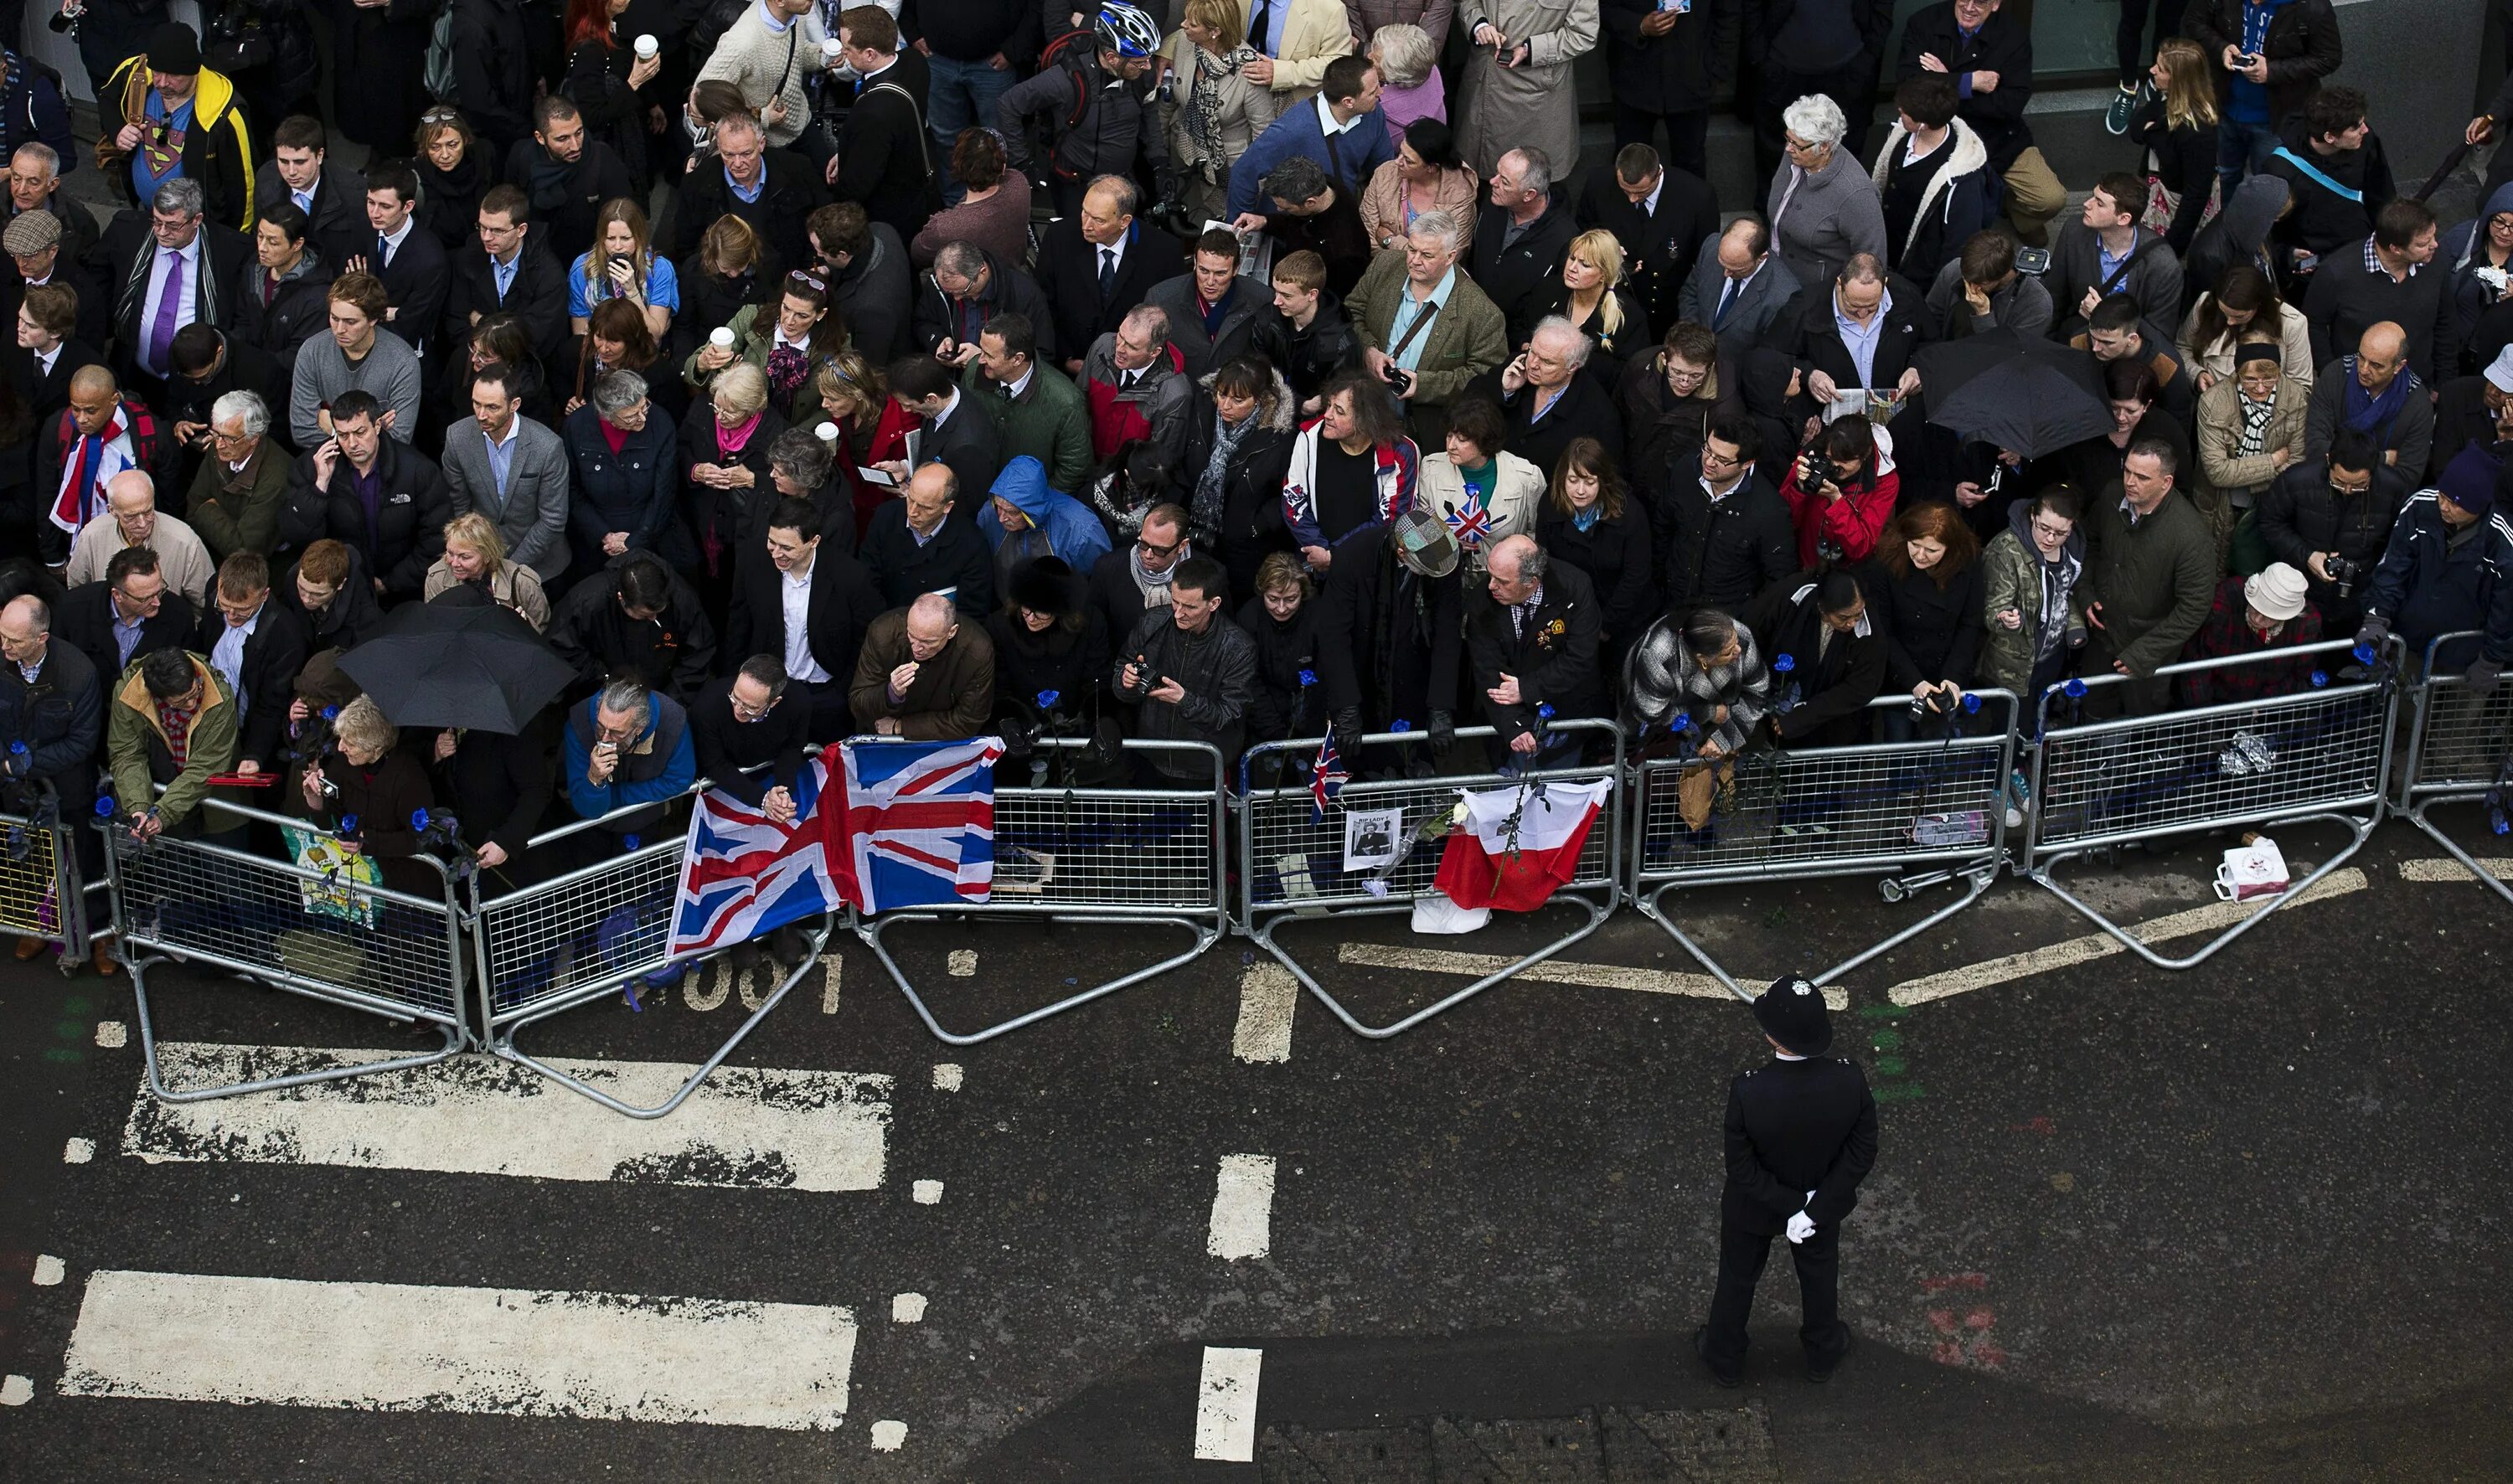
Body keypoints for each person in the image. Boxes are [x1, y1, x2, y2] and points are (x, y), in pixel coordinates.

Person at [1695, 975, 1876, 1389]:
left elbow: (1741, 1169)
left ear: (1771, 1036)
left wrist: (1791, 1204)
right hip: (1822, 1203)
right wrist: (1812, 1209)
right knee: (1819, 1277)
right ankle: (1822, 1354)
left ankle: (1724, 1357)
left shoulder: (1748, 1091)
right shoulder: (1850, 1079)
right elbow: (1862, 1151)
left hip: (1754, 1207)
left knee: (1738, 1278)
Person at [1896, 0, 2061, 247]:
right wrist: (1968, 82)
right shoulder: (1924, 23)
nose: (1970, 7)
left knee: (2050, 198)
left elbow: (2011, 103)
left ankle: (2018, 216)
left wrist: (1943, 82)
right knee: (1942, 206)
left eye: (1981, 1)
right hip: (1938, 134)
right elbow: (1910, 84)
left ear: (1995, 4)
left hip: (1998, 137)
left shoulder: (2013, 35)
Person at [725, 495, 882, 741]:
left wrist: (843, 691)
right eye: (772, 542)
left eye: (787, 548)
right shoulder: (753, 561)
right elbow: (739, 624)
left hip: (826, 694)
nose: (776, 553)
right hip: (769, 691)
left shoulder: (850, 576)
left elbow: (865, 639)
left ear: (814, 541)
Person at [1344, 209, 1508, 446]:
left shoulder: (1482, 313)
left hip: (1423, 428)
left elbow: (1487, 376)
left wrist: (1424, 385)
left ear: (1451, 257)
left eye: (1427, 255)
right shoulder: (1384, 265)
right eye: (1411, 249)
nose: (1414, 260)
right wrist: (1368, 350)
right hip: (1366, 406)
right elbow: (1352, 311)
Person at [2080, 439, 2218, 715]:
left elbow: (2195, 607)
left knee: (2143, 717)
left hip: (2150, 649)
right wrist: (2084, 591)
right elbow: (2090, 544)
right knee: (2093, 705)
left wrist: (2145, 653)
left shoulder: (2190, 535)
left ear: (2166, 482)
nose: (2130, 482)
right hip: (2103, 633)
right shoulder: (2111, 496)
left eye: (2142, 477)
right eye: (2128, 471)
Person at [2357, 442, 2513, 688]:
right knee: (2404, 719)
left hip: (2469, 655)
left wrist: (2492, 661)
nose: (2443, 506)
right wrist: (2376, 618)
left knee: (2454, 725)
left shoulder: (2502, 542)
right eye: (2442, 495)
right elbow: (2392, 568)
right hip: (2410, 641)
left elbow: (2506, 610)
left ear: (2478, 507)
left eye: (2455, 503)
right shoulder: (2420, 507)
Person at [995, 2, 1168, 219]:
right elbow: (1009, 104)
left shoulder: (1143, 76)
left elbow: (1149, 114)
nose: (1148, 67)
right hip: (1075, 184)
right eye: (1140, 62)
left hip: (1121, 182)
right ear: (1113, 58)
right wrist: (1022, 163)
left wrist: (1161, 162)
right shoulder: (1065, 81)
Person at [277, 390, 451, 600]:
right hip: (338, 592)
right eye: (342, 435)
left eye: (360, 432)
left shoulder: (417, 470)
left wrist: (390, 583)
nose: (352, 444)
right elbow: (294, 536)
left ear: (377, 426)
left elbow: (436, 539)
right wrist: (319, 486)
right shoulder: (312, 465)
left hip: (402, 594)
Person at [101, 175, 255, 396]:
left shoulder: (233, 251)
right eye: (156, 221)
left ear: (197, 219)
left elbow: (245, 314)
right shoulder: (128, 232)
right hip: (132, 372)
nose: (162, 232)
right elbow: (100, 278)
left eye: (173, 225)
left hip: (197, 383)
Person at [1111, 554, 1256, 782]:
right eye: (1175, 601)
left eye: (1189, 606)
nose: (1178, 613)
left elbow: (1231, 715)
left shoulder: (1238, 648)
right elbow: (1121, 674)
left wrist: (1184, 700)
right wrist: (1125, 681)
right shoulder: (1152, 622)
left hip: (1203, 768)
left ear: (1214, 603)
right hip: (1148, 758)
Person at [95, 23, 255, 229]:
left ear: (194, 71)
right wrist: (118, 131)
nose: (162, 82)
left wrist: (236, 242)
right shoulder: (137, 74)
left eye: (173, 76)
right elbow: (106, 98)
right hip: (147, 214)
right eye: (158, 72)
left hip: (195, 227)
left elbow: (242, 188)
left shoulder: (225, 113)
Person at [1464, 532, 1603, 760]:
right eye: (1491, 575)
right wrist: (1514, 725)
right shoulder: (1482, 601)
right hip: (1508, 727)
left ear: (1531, 581)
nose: (1491, 586)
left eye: (1502, 581)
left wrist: (1527, 688)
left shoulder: (1574, 587)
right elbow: (1487, 668)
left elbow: (1580, 658)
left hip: (1566, 715)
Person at [2254, 427, 2402, 639]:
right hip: (2302, 590)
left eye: (2359, 485)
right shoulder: (2296, 480)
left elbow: (2394, 544)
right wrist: (2307, 555)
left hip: (2358, 595)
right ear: (2328, 460)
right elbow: (2269, 521)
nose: (2348, 490)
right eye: (2340, 481)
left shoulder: (2392, 489)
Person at [2185, 0, 2342, 189]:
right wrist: (2221, 48)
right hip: (2225, 109)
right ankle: (2228, 219)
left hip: (2275, 121)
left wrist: (2273, 71)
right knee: (2225, 178)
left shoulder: (2311, 6)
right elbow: (2194, 21)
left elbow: (2328, 58)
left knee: (2268, 188)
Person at [1038, 175, 1184, 374]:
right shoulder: (1059, 237)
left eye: (1098, 220)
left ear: (1124, 221)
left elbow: (1166, 319)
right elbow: (1044, 303)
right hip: (1067, 367)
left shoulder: (1164, 252)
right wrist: (1065, 358)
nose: (1086, 225)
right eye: (1084, 212)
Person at [2303, 198, 2456, 389]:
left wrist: (2444, 382)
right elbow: (2314, 325)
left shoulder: (2435, 261)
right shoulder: (2336, 273)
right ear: (2395, 249)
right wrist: (2332, 378)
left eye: (2433, 236)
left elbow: (2446, 322)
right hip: (2358, 387)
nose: (2435, 245)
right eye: (2423, 244)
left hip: (2417, 385)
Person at [1860, 502, 1983, 736]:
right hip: (1902, 673)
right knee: (1900, 743)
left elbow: (1969, 623)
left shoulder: (1969, 562)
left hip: (1945, 673)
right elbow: (1883, 630)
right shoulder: (1885, 563)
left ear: (1951, 548)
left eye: (1931, 550)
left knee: (1939, 750)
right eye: (1914, 545)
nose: (1920, 555)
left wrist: (1953, 678)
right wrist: (1915, 682)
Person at [1571, 145, 1712, 348]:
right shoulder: (1598, 183)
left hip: (1666, 304)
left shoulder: (1697, 196)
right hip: (1615, 302)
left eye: (1641, 192)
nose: (1632, 199)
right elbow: (1583, 232)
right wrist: (1605, 250)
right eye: (1625, 191)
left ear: (1658, 174)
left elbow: (1704, 259)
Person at [442, 363, 571, 586]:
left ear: (515, 405)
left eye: (492, 407)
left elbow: (553, 520)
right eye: (476, 404)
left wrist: (507, 568)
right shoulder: (457, 437)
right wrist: (477, 557)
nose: (481, 415)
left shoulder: (547, 447)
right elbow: (459, 504)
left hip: (541, 568)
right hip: (480, 563)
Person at [1223, 52, 1391, 223]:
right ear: (1348, 102)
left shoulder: (1373, 114)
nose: (1381, 92)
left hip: (1337, 220)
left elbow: (1383, 169)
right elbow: (1243, 173)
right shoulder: (1290, 131)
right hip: (1287, 228)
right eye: (1373, 91)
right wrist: (1239, 230)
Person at [35, 364, 176, 568]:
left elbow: (170, 496)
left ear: (114, 400)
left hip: (142, 544)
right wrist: (53, 557)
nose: (81, 419)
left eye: (91, 411)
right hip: (83, 546)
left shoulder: (152, 431)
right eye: (76, 408)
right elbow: (47, 494)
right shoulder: (58, 428)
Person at [1283, 370, 1421, 574]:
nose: (1327, 415)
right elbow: (1292, 500)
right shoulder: (1309, 437)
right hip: (1314, 560)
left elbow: (1389, 518)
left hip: (1368, 567)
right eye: (1328, 405)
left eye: (1339, 411)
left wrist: (1335, 555)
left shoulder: (1401, 453)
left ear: (1365, 419)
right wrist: (1321, 551)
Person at [1766, 254, 1926, 425]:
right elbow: (1772, 357)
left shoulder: (1908, 299)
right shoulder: (1804, 308)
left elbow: (1931, 345)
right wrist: (1808, 374)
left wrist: (1918, 368)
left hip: (1894, 423)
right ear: (1840, 284)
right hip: (1829, 426)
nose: (1862, 314)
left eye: (1872, 307)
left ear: (1884, 285)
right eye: (1853, 306)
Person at [1535, 435, 1653, 668]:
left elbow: (1636, 576)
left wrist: (1606, 625)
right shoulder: (1550, 505)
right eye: (1573, 480)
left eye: (1589, 482)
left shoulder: (1629, 514)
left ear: (1603, 482)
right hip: (1573, 614)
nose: (1580, 490)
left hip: (1625, 617)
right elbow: (1546, 564)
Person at [1866, 73, 1993, 290]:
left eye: (1905, 112)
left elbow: (1957, 246)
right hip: (1888, 249)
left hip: (1918, 272)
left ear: (1923, 124)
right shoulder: (1901, 136)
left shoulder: (1960, 179)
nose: (1899, 112)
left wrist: (1939, 291)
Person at [1162, 0, 1282, 226]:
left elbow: (1263, 133)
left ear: (1215, 31)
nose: (1183, 24)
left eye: (1192, 23)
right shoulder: (1185, 44)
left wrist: (1257, 186)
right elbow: (1168, 102)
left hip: (1227, 171)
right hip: (1184, 154)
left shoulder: (1249, 69)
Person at [1977, 487, 2088, 724]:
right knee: (2009, 729)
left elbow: (2063, 594)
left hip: (2051, 657)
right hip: (2012, 665)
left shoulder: (2073, 550)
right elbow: (1990, 609)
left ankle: (2030, 758)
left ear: (2072, 526)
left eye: (2060, 532)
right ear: (2032, 517)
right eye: (2044, 528)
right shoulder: (2005, 550)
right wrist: (2004, 618)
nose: (2050, 539)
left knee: (2037, 722)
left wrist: (2075, 627)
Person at [1664, 415, 1793, 616]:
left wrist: (1748, 617)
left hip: (1726, 617)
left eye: (1722, 459)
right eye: (1708, 449)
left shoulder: (1770, 511)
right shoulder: (1685, 471)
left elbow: (1778, 578)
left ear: (1746, 463)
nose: (1709, 462)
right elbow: (1663, 526)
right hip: (1675, 601)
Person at [667, 112, 826, 276]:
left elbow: (823, 223)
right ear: (719, 148)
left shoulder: (798, 171)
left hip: (787, 279)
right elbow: (686, 246)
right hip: (727, 285)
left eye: (746, 154)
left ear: (762, 144)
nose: (737, 163)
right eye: (728, 154)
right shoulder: (696, 184)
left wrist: (808, 272)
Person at [106, 643, 236, 842]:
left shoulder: (219, 694)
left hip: (217, 804)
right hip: (163, 794)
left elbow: (205, 766)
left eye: (195, 692)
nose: (192, 704)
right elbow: (127, 754)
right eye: (182, 702)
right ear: (157, 697)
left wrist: (164, 812)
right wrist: (138, 807)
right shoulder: (129, 695)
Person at [1454, 0, 1597, 180]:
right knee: (1480, 180)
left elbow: (1583, 34)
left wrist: (1531, 50)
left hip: (1538, 94)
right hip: (1484, 84)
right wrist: (1478, 25)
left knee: (1532, 181)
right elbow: (1466, 2)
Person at [191, 549, 303, 775]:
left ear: (264, 595)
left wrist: (254, 754)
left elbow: (272, 704)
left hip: (247, 730)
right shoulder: (215, 597)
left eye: (243, 610)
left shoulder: (284, 634)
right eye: (225, 606)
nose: (231, 616)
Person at [1745, 566, 1886, 746]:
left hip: (1834, 728)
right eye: (1843, 618)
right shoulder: (1789, 597)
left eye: (1857, 615)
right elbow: (1751, 635)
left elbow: (1862, 685)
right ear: (1822, 608)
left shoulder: (1869, 626)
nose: (1852, 623)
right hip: (1776, 713)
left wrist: (1805, 716)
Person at [443, 185, 573, 383]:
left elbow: (536, 337)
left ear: (521, 230)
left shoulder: (548, 274)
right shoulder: (470, 257)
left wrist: (481, 321)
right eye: (482, 227)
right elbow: (456, 320)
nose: (486, 237)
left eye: (497, 230)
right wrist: (485, 354)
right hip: (473, 369)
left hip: (525, 377)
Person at [686, 268, 848, 423]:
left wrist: (794, 435)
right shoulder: (750, 318)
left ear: (820, 314)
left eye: (802, 316)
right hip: (743, 423)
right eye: (786, 308)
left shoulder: (836, 345)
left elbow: (837, 403)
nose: (789, 321)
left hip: (797, 435)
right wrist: (702, 365)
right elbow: (690, 369)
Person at [1478, 315, 1623, 485]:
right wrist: (1504, 391)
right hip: (1492, 480)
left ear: (1573, 367)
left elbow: (1607, 477)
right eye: (1532, 351)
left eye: (1547, 362)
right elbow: (1469, 406)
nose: (1533, 364)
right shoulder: (1517, 365)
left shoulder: (1598, 413)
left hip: (1548, 499)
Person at [2263, 84, 2392, 276]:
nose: (2365, 130)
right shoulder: (2280, 169)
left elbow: (2382, 193)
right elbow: (2270, 230)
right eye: (2356, 127)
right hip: (2319, 265)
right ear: (2330, 137)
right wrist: (2288, 256)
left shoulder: (2366, 141)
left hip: (2364, 250)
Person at [2193, 338, 2306, 557]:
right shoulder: (2213, 401)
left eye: (2269, 379)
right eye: (2251, 380)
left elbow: (2296, 464)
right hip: (2219, 505)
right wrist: (2272, 461)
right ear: (2238, 375)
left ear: (2279, 374)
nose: (2261, 388)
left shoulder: (2295, 397)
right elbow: (2217, 472)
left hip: (2270, 505)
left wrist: (2240, 472)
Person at [1763, 95, 1886, 295]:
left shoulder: (1856, 195)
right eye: (1788, 139)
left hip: (1816, 295)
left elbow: (1871, 262)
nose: (1788, 148)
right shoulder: (1795, 155)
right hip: (1777, 276)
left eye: (1797, 144)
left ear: (1824, 147)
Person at [961, 311, 1093, 497]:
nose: (980, 359)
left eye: (989, 355)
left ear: (1017, 359)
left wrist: (1032, 506)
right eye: (981, 350)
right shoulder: (975, 371)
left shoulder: (1066, 402)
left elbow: (1074, 468)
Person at [1617, 319, 1739, 517]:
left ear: (1710, 367)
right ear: (1664, 359)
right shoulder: (1639, 368)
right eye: (1677, 372)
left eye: (1695, 376)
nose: (1684, 382)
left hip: (1674, 496)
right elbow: (1618, 416)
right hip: (1627, 478)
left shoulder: (1723, 407)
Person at [560, 674, 695, 853]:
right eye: (600, 726)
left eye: (616, 733)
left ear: (639, 728)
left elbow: (680, 780)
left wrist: (617, 796)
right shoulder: (579, 722)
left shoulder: (672, 721)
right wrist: (594, 778)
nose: (605, 738)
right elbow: (588, 808)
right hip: (591, 827)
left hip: (646, 822)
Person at [2046, 171, 2184, 345]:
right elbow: (2055, 295)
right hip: (2082, 332)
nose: (2087, 204)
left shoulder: (2163, 265)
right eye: (2093, 197)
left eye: (2100, 204)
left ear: (2123, 218)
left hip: (2128, 352)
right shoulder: (2074, 231)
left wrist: (2105, 318)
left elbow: (2160, 335)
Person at [287, 272, 421, 450]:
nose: (339, 329)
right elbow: (302, 432)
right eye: (334, 318)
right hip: (324, 461)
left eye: (350, 322)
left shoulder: (402, 362)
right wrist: (368, 434)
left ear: (373, 319)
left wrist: (334, 429)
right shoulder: (312, 351)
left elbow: (399, 440)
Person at [1414, 394, 1541, 578]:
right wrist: (1446, 543)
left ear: (1485, 440)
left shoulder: (1526, 477)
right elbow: (1420, 527)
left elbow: (1536, 535)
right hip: (1447, 578)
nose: (1451, 445)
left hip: (1505, 580)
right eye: (1449, 435)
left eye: (1462, 439)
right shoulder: (1430, 469)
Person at [504, 96, 636, 273]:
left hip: (588, 267)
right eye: (562, 139)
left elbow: (622, 221)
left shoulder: (603, 161)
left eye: (579, 132)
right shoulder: (522, 157)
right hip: (536, 264)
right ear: (540, 138)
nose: (575, 146)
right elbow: (510, 212)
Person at [846, 591, 994, 739]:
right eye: (911, 635)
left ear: (952, 632)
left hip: (942, 744)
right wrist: (890, 693)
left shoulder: (977, 651)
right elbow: (858, 702)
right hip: (881, 738)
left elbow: (969, 720)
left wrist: (901, 726)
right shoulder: (883, 633)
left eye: (928, 642)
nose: (916, 648)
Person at [1468, 147, 1576, 345]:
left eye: (1505, 181)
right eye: (1497, 173)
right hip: (1471, 323)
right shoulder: (1493, 202)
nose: (1493, 182)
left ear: (1529, 195)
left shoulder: (1564, 237)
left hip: (1514, 341)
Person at [2178, 561, 2324, 703]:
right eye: (2256, 608)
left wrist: (2262, 705)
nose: (2258, 619)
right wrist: (2204, 714)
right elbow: (2196, 664)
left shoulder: (2307, 625)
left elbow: (2299, 675)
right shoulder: (2225, 600)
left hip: (2265, 706)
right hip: (2216, 699)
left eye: (2270, 616)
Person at [2303, 322, 2433, 476]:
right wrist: (2381, 458)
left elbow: (2407, 475)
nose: (2364, 369)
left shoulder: (2417, 403)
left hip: (2380, 494)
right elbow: (2315, 446)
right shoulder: (2336, 375)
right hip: (2326, 481)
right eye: (2361, 357)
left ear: (2398, 367)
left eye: (2376, 365)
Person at [64, 469, 212, 604]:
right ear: (112, 511)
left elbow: (205, 603)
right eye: (131, 516)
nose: (142, 523)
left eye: (148, 512)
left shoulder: (185, 542)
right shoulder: (92, 535)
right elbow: (77, 591)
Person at [2132, 38, 2221, 257]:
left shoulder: (2198, 134)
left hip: (2177, 208)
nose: (2152, 70)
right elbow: (2135, 128)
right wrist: (2154, 134)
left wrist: (2172, 246)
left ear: (2178, 79)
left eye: (2160, 69)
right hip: (2161, 193)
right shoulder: (2165, 96)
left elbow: (2195, 196)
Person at [1528, 227, 1650, 384]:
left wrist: (1572, 359)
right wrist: (1527, 345)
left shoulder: (1629, 316)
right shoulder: (1548, 290)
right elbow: (1520, 327)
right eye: (1572, 258)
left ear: (1604, 275)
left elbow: (1630, 372)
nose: (1572, 268)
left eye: (1585, 265)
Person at [981, 453, 1113, 599]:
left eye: (1012, 512)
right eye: (998, 507)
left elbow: (1098, 584)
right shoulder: (988, 515)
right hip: (1008, 608)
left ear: (1032, 511)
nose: (1001, 518)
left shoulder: (1081, 531)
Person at [1145, 229, 1271, 382]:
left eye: (1220, 273)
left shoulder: (1260, 299)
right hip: (1181, 395)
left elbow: (1268, 358)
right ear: (1195, 264)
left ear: (1236, 269)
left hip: (1235, 394)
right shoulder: (1161, 298)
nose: (1210, 281)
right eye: (1203, 271)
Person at [1778, 415, 1896, 571]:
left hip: (1850, 571)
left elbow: (1861, 548)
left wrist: (1837, 500)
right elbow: (1782, 523)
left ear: (1865, 454)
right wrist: (1799, 489)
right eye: (1830, 458)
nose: (1836, 467)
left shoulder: (1885, 481)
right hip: (1806, 562)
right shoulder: (1812, 455)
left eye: (1845, 462)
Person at [255, 114, 369, 276]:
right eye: (284, 162)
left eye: (300, 162)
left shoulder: (354, 193)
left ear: (319, 156)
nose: (291, 172)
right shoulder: (267, 180)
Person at [2178, 261, 2314, 395]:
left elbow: (2301, 387)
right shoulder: (2206, 304)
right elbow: (2183, 348)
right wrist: (2196, 373)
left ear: (2259, 305)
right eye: (2225, 313)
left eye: (2239, 316)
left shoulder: (2292, 324)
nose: (2230, 322)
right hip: (2212, 405)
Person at [1251, 249, 1359, 415]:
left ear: (1312, 295)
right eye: (1275, 291)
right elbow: (1255, 369)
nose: (1276, 301)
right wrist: (1299, 402)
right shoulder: (1267, 319)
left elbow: (1339, 397)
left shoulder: (1340, 343)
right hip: (1268, 408)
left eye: (1287, 296)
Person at [183, 389, 286, 565]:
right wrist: (228, 528)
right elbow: (193, 508)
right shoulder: (220, 448)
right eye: (215, 433)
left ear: (254, 438)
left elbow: (245, 551)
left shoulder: (276, 479)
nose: (219, 444)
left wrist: (208, 511)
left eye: (229, 438)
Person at [1678, 216, 1802, 361]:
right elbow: (1690, 293)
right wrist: (1693, 335)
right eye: (1722, 263)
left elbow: (1770, 357)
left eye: (1736, 269)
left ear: (1762, 258)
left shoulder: (1784, 297)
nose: (1726, 273)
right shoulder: (1711, 246)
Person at [914, 240, 1057, 364]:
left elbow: (1042, 356)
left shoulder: (1024, 294)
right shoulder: (941, 284)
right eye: (949, 293)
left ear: (982, 271)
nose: (956, 298)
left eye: (964, 291)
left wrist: (985, 358)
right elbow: (923, 321)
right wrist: (938, 341)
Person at [911, 129, 1032, 271]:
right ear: (1003, 167)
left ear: (958, 169)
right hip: (1015, 276)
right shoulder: (1019, 182)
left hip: (975, 291)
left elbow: (918, 252)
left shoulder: (946, 228)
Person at [1235, 549, 1320, 750]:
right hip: (1264, 718)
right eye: (1273, 599)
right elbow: (1248, 681)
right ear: (1262, 592)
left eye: (1291, 599)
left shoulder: (1319, 615)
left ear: (1303, 593)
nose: (1281, 609)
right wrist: (1277, 734)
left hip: (1310, 712)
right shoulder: (1249, 618)